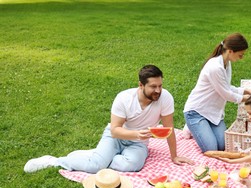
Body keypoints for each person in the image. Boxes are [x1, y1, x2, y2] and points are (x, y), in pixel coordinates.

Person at [24, 65, 194, 174]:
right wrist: (136, 134)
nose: (158, 90)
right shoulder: (124, 98)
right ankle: (55, 161)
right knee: (94, 167)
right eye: (153, 87)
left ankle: (99, 156)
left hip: (140, 142)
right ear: (141, 85)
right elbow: (115, 130)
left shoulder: (165, 98)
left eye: (160, 85)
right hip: (117, 137)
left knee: (132, 166)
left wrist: (174, 156)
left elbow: (168, 129)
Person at [183, 32, 251, 152]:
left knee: (223, 146)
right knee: (211, 149)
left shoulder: (227, 63)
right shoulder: (215, 67)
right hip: (196, 112)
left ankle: (203, 128)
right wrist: (246, 98)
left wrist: (245, 91)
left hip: (213, 112)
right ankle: (190, 126)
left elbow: (225, 86)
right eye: (240, 55)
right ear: (230, 51)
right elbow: (226, 94)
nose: (241, 58)